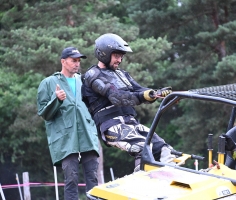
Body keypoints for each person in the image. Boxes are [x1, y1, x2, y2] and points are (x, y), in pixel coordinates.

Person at [81, 33, 175, 172]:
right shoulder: (93, 75)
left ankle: (171, 180)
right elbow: (116, 97)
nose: (119, 60)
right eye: (117, 56)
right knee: (142, 148)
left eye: (121, 56)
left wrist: (156, 93)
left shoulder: (121, 74)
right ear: (104, 54)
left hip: (131, 123)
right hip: (111, 126)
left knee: (163, 148)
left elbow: (139, 90)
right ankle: (141, 181)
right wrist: (144, 96)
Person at [37, 47, 100, 200]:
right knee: (71, 178)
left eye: (78, 60)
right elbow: (44, 113)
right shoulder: (49, 83)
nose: (77, 64)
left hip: (87, 135)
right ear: (63, 61)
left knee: (92, 177)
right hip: (66, 139)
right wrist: (56, 99)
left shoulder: (84, 81)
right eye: (73, 60)